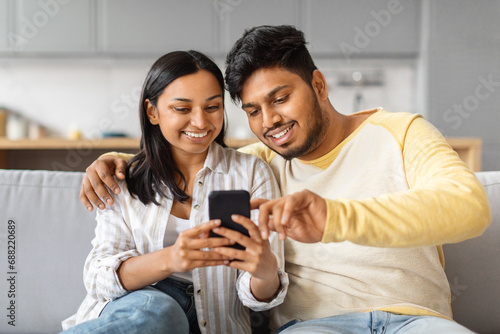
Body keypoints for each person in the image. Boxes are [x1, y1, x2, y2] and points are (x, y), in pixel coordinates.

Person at [79, 26, 491, 334]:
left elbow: (468, 207)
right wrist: (117, 160)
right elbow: (191, 156)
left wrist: (334, 217)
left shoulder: (401, 132)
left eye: (280, 99)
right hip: (314, 326)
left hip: (415, 321)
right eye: (254, 110)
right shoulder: (262, 163)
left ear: (318, 84)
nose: (270, 121)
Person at [62, 50, 288, 334]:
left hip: (215, 324)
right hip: (140, 310)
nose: (200, 122)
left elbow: (258, 299)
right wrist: (171, 259)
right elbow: (97, 278)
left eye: (212, 107)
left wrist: (265, 271)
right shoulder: (122, 180)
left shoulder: (252, 174)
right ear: (152, 112)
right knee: (161, 311)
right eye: (182, 109)